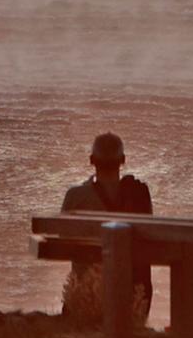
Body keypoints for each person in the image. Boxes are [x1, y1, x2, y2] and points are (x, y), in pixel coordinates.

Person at [57, 131, 155, 324]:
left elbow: (62, 237)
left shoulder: (76, 197)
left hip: (86, 293)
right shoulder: (138, 197)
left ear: (91, 160)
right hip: (131, 296)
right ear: (123, 160)